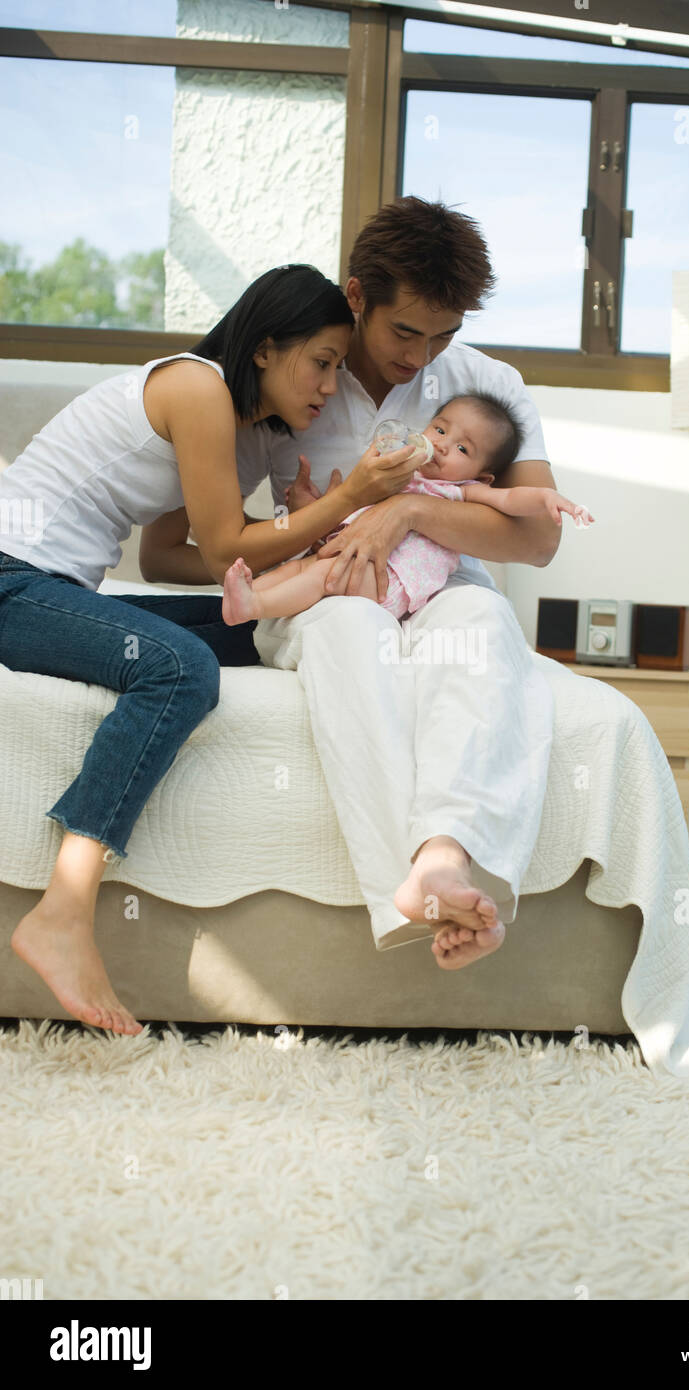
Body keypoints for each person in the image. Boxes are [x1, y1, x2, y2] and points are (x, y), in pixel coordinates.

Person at [144, 198, 567, 970]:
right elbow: (188, 542)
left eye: (443, 334)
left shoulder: (482, 384)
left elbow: (538, 538)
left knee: (482, 628)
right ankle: (412, 888)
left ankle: (443, 855)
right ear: (357, 295)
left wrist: (405, 511)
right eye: (405, 331)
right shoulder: (296, 371)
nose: (421, 356)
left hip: (442, 585)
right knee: (351, 629)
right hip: (327, 589)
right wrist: (310, 540)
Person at [0, 264, 423, 1035]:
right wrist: (348, 498)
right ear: (265, 349)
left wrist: (301, 566)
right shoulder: (197, 390)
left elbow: (168, 558)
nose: (330, 385)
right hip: (11, 579)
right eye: (322, 362)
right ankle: (63, 908)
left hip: (52, 589)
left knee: (255, 628)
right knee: (178, 667)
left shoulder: (250, 434)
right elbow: (229, 540)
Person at [221, 392, 593, 625]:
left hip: (390, 581)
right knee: (301, 566)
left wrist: (548, 499)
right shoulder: (398, 471)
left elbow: (511, 500)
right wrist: (311, 505)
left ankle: (255, 606)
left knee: (323, 575)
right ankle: (242, 596)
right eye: (441, 430)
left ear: (484, 475)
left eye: (464, 449)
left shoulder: (462, 491)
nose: (444, 446)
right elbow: (355, 516)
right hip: (355, 556)